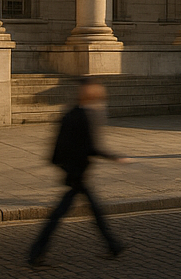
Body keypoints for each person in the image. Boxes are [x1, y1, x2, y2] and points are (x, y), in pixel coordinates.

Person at [28, 78, 129, 267]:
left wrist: (61, 163)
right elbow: (92, 147)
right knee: (62, 214)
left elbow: (58, 145)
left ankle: (113, 244)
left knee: (90, 211)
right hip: (78, 173)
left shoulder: (71, 113)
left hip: (74, 170)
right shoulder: (86, 116)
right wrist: (115, 157)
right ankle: (36, 252)